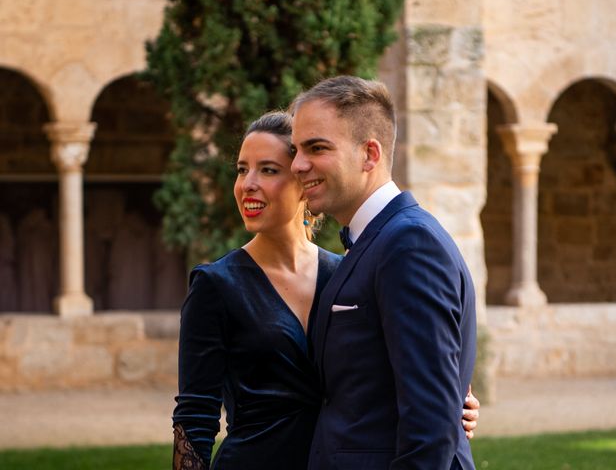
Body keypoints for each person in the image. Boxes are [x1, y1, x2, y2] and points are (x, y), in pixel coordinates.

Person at [172, 111, 480, 470]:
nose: (247, 184)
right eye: (242, 170)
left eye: (268, 170)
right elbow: (195, 417)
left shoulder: (348, 270)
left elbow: (395, 369)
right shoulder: (215, 285)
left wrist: (454, 406)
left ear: (305, 177)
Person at [290, 76, 478, 469]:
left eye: (316, 148)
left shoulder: (409, 245)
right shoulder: (372, 241)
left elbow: (431, 426)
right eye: (296, 150)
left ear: (369, 154)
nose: (297, 165)